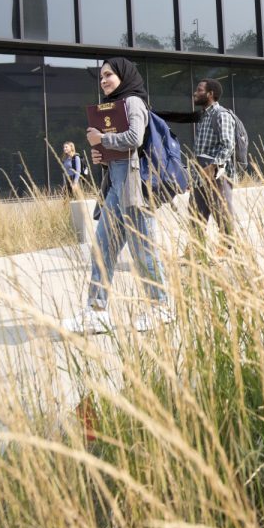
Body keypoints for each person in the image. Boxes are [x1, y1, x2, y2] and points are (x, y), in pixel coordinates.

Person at [63, 58, 168, 335]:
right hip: (116, 187)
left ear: (123, 76)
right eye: (100, 78)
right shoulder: (114, 107)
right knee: (102, 249)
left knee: (143, 251)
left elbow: (134, 138)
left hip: (134, 189)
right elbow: (120, 152)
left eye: (108, 75)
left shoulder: (133, 102)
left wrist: (103, 140)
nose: (104, 81)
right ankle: (97, 313)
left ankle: (161, 308)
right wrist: (102, 156)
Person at [155, 78, 237, 244]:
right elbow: (179, 117)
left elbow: (228, 145)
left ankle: (227, 252)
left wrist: (213, 166)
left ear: (210, 94)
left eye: (199, 90)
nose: (195, 93)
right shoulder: (203, 116)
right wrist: (153, 113)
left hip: (217, 176)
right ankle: (196, 253)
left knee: (222, 214)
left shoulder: (222, 115)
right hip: (200, 175)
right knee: (196, 214)